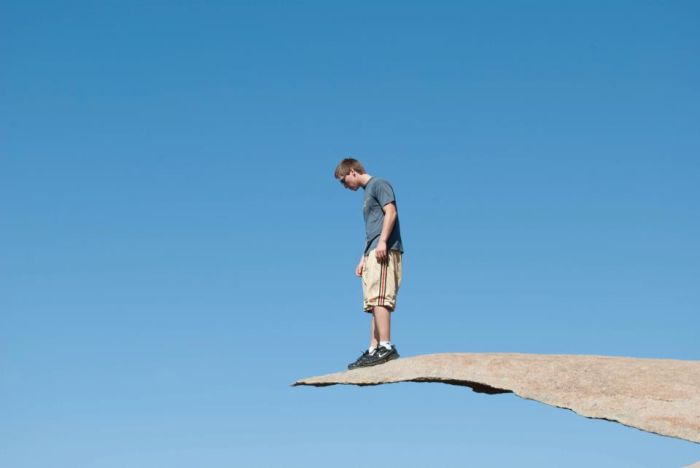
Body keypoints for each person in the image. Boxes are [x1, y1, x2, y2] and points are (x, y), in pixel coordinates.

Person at [334, 158, 404, 369]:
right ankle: (374, 349)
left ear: (353, 171)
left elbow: (390, 212)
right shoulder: (367, 193)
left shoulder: (379, 184)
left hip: (384, 249)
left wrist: (383, 242)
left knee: (381, 297)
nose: (345, 186)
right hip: (373, 251)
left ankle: (386, 346)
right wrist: (363, 257)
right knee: (373, 301)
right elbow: (372, 229)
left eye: (344, 180)